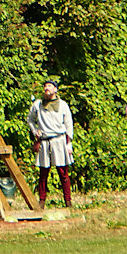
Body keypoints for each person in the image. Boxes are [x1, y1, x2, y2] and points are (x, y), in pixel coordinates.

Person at [27, 79, 74, 209]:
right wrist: (34, 130)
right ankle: (42, 201)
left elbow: (69, 124)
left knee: (63, 173)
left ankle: (68, 201)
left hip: (59, 140)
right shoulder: (38, 105)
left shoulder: (63, 105)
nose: (46, 88)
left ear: (55, 89)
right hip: (44, 141)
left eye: (49, 86)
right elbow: (30, 119)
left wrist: (69, 143)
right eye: (45, 86)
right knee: (43, 173)